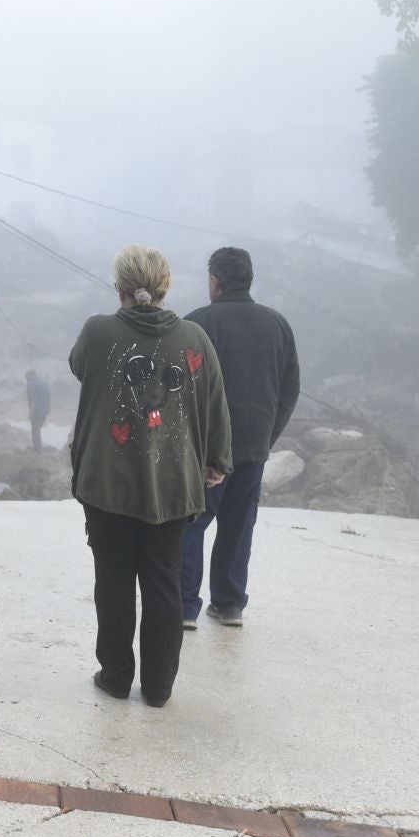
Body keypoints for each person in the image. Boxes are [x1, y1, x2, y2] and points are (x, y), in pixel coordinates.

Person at [68, 245, 232, 707]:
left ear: (119, 286)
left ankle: (117, 676)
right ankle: (159, 688)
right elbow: (216, 403)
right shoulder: (194, 338)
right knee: (164, 583)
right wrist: (217, 460)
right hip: (174, 484)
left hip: (107, 483)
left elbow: (79, 367)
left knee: (114, 581)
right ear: (165, 286)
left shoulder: (99, 332)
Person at [180, 247, 300, 628]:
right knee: (238, 524)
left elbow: (177, 390)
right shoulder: (277, 324)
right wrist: (267, 435)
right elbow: (289, 389)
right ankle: (229, 604)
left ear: (214, 282)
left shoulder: (196, 325)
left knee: (190, 522)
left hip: (203, 450)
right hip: (253, 446)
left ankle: (185, 606)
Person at [25, 368, 51, 450]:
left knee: (35, 429)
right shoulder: (43, 383)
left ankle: (37, 448)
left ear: (29, 376)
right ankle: (38, 447)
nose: (26, 379)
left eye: (26, 377)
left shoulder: (31, 384)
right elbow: (48, 396)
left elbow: (33, 401)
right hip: (44, 410)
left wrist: (31, 414)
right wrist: (47, 409)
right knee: (37, 428)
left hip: (36, 411)